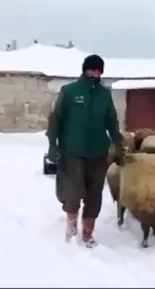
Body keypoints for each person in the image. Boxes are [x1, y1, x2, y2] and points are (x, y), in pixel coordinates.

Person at [46, 54, 124, 248]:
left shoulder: (104, 94)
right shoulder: (70, 91)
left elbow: (111, 122)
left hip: (98, 152)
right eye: (92, 69)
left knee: (94, 194)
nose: (95, 72)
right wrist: (53, 144)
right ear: (85, 69)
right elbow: (56, 119)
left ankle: (88, 234)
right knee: (73, 192)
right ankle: (71, 231)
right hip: (72, 150)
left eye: (98, 70)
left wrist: (118, 143)